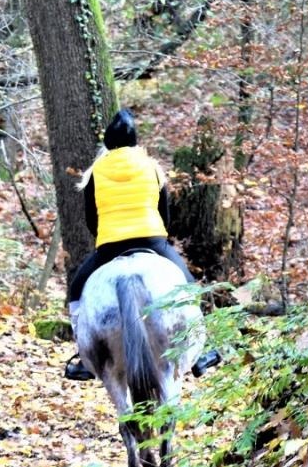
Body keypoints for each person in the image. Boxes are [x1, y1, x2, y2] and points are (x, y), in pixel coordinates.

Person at [63, 108, 220, 380]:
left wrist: (107, 236)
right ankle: (199, 351)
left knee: (77, 291)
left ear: (107, 142)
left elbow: (91, 219)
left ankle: (83, 355)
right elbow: (165, 214)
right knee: (189, 288)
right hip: (152, 240)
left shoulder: (95, 172)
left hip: (111, 245)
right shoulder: (152, 166)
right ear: (135, 140)